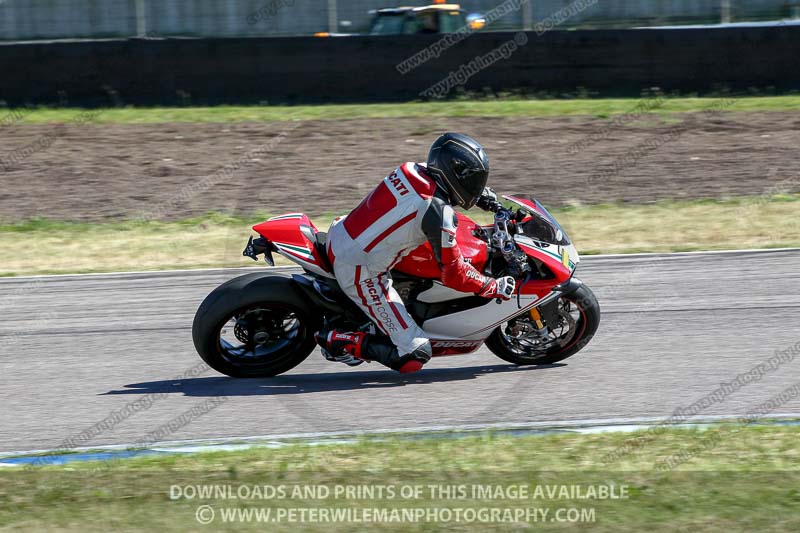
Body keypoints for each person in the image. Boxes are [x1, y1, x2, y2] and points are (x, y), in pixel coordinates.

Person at [316, 133, 515, 373]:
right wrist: (490, 286)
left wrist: (487, 199)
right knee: (414, 354)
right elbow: (454, 275)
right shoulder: (437, 213)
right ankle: (336, 339)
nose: (475, 187)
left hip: (344, 230)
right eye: (472, 181)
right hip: (359, 269)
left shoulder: (413, 169)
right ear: (452, 174)